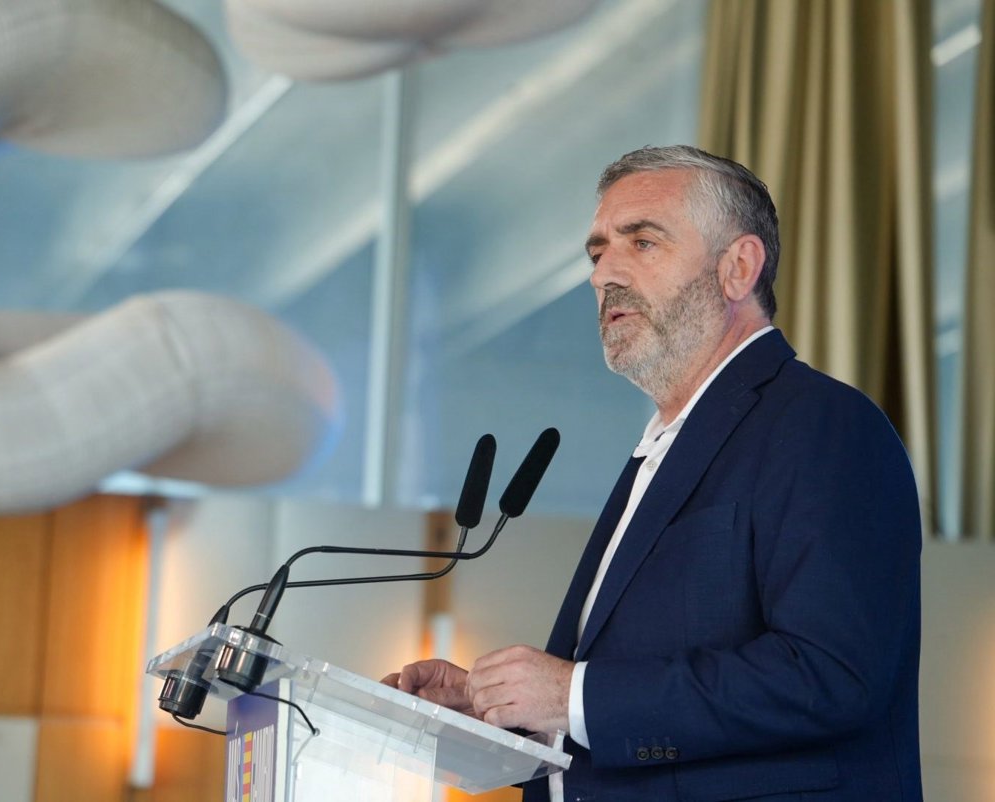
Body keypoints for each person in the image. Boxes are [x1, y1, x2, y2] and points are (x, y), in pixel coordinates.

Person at [383, 145, 922, 801]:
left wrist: (571, 694)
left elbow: (831, 675)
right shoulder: (666, 445)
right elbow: (638, 715)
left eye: (641, 242)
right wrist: (505, 717)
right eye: (597, 252)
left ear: (738, 268)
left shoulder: (823, 424)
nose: (602, 275)